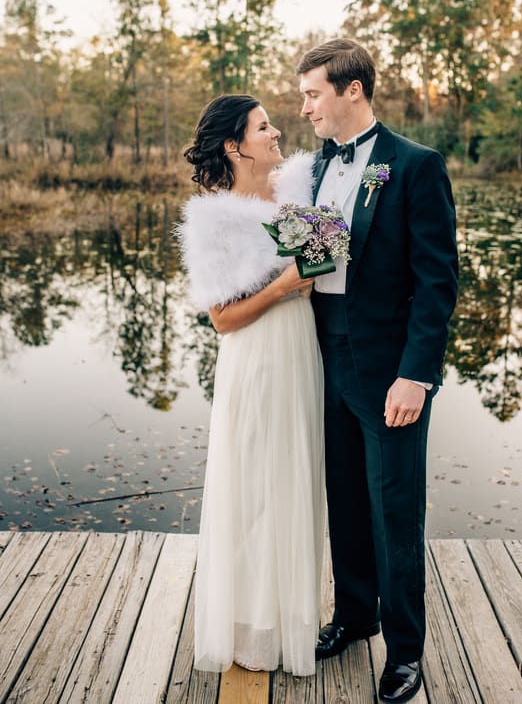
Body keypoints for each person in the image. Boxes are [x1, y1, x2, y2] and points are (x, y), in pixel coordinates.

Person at [297, 39, 458, 703]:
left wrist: (415, 375)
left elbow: (437, 282)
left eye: (313, 93)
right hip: (322, 354)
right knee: (346, 498)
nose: (305, 106)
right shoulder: (312, 169)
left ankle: (405, 651)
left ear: (352, 90)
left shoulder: (415, 165)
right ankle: (355, 616)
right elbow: (315, 261)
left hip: (388, 366)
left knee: (395, 511)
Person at [178, 94, 325, 676]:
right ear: (235, 146)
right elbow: (222, 319)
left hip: (301, 352)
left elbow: (322, 267)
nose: (277, 132)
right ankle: (252, 625)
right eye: (264, 127)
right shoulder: (215, 220)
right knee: (257, 485)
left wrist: (311, 272)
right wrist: (285, 285)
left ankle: (295, 616)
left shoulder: (299, 196)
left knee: (296, 476)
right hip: (257, 359)